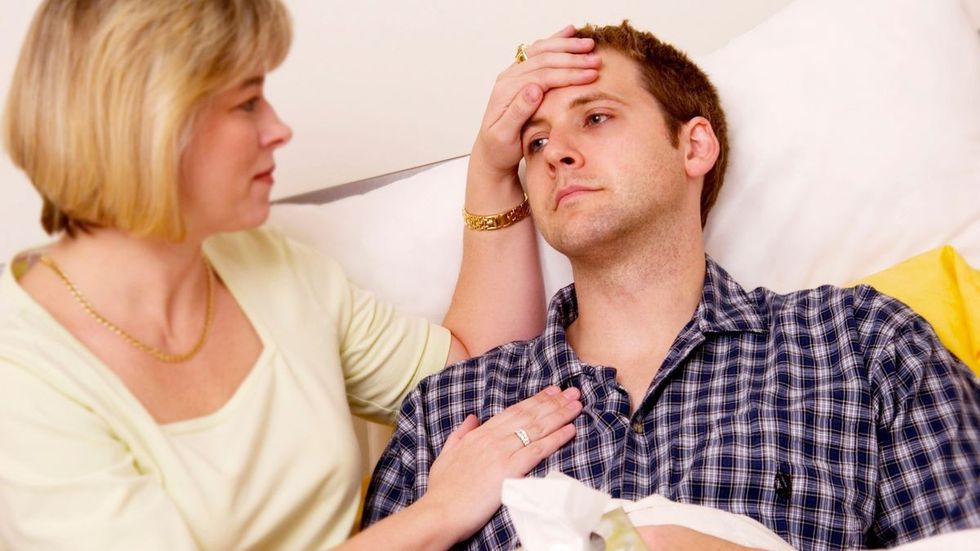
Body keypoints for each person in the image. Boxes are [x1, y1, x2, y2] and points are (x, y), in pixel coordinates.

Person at [0, 2, 600, 549]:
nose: (278, 129)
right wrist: (439, 511)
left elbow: (472, 371)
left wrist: (493, 166)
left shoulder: (270, 264)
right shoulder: (22, 373)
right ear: (150, 126)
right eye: (246, 102)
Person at [362, 21, 980, 551]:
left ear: (694, 145)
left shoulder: (860, 343)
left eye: (596, 117)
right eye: (537, 141)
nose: (557, 155)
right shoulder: (449, 414)